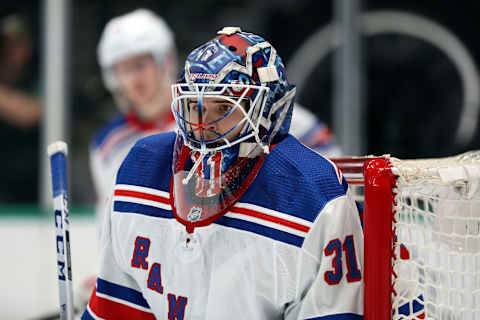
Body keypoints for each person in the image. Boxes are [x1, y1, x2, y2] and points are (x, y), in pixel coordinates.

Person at [82, 27, 363, 319]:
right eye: (194, 106)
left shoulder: (315, 197)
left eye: (222, 108)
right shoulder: (139, 167)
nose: (203, 125)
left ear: (266, 109)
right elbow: (118, 307)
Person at [90, 9, 177, 225]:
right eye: (122, 70)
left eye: (140, 65)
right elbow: (112, 225)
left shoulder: (209, 121)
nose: (133, 79)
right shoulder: (108, 145)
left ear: (165, 61)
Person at [0, 14, 41, 202]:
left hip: (31, 183)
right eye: (5, 43)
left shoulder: (42, 74)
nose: (10, 50)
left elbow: (31, 114)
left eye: (17, 43)